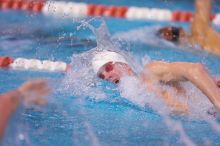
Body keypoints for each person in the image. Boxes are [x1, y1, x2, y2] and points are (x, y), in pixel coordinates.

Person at [92, 50, 220, 113]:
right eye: (101, 76)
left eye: (108, 67)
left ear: (123, 63)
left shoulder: (150, 71)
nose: (106, 76)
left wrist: (217, 103)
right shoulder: (133, 95)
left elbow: (196, 69)